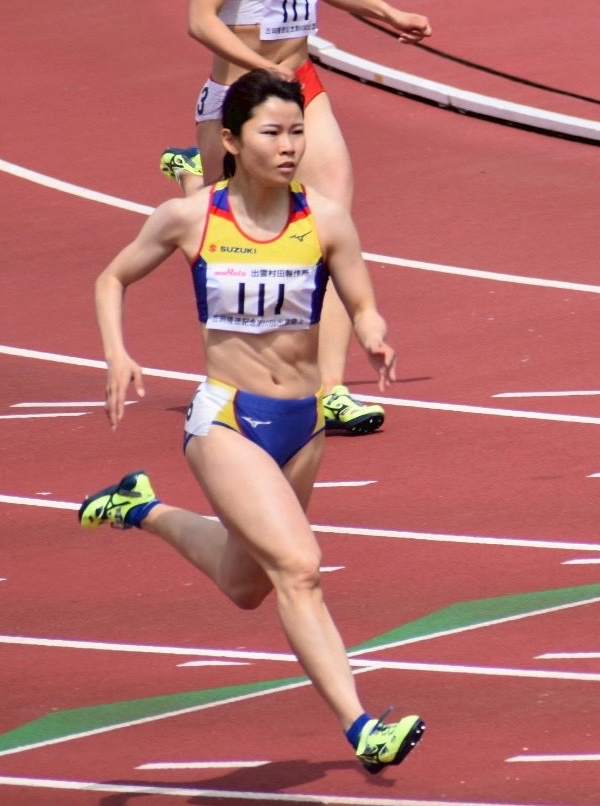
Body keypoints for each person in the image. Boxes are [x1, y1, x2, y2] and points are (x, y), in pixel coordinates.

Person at [82, 69, 423, 772]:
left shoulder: (324, 218)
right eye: (273, 132)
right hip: (227, 419)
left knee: (246, 584)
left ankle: (140, 508)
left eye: (297, 130)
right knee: (298, 567)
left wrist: (373, 331)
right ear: (233, 141)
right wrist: (118, 353)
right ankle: (360, 725)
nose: (290, 145)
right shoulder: (192, 217)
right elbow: (111, 277)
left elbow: (360, 300)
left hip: (301, 425)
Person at [159, 0, 432, 436]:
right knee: (224, 230)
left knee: (333, 229)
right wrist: (260, 68)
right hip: (240, 95)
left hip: (301, 85)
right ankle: (195, 179)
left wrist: (387, 13)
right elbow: (200, 21)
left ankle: (330, 390)